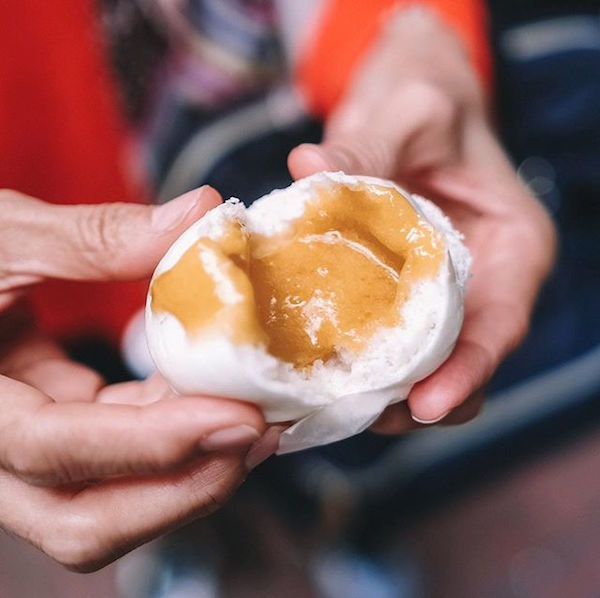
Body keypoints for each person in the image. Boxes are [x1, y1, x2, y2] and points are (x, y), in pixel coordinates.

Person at [0, 0, 555, 573]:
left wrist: (413, 30)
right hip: (40, 275)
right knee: (118, 432)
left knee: (235, 439)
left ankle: (339, 532)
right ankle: (212, 546)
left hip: (232, 100)